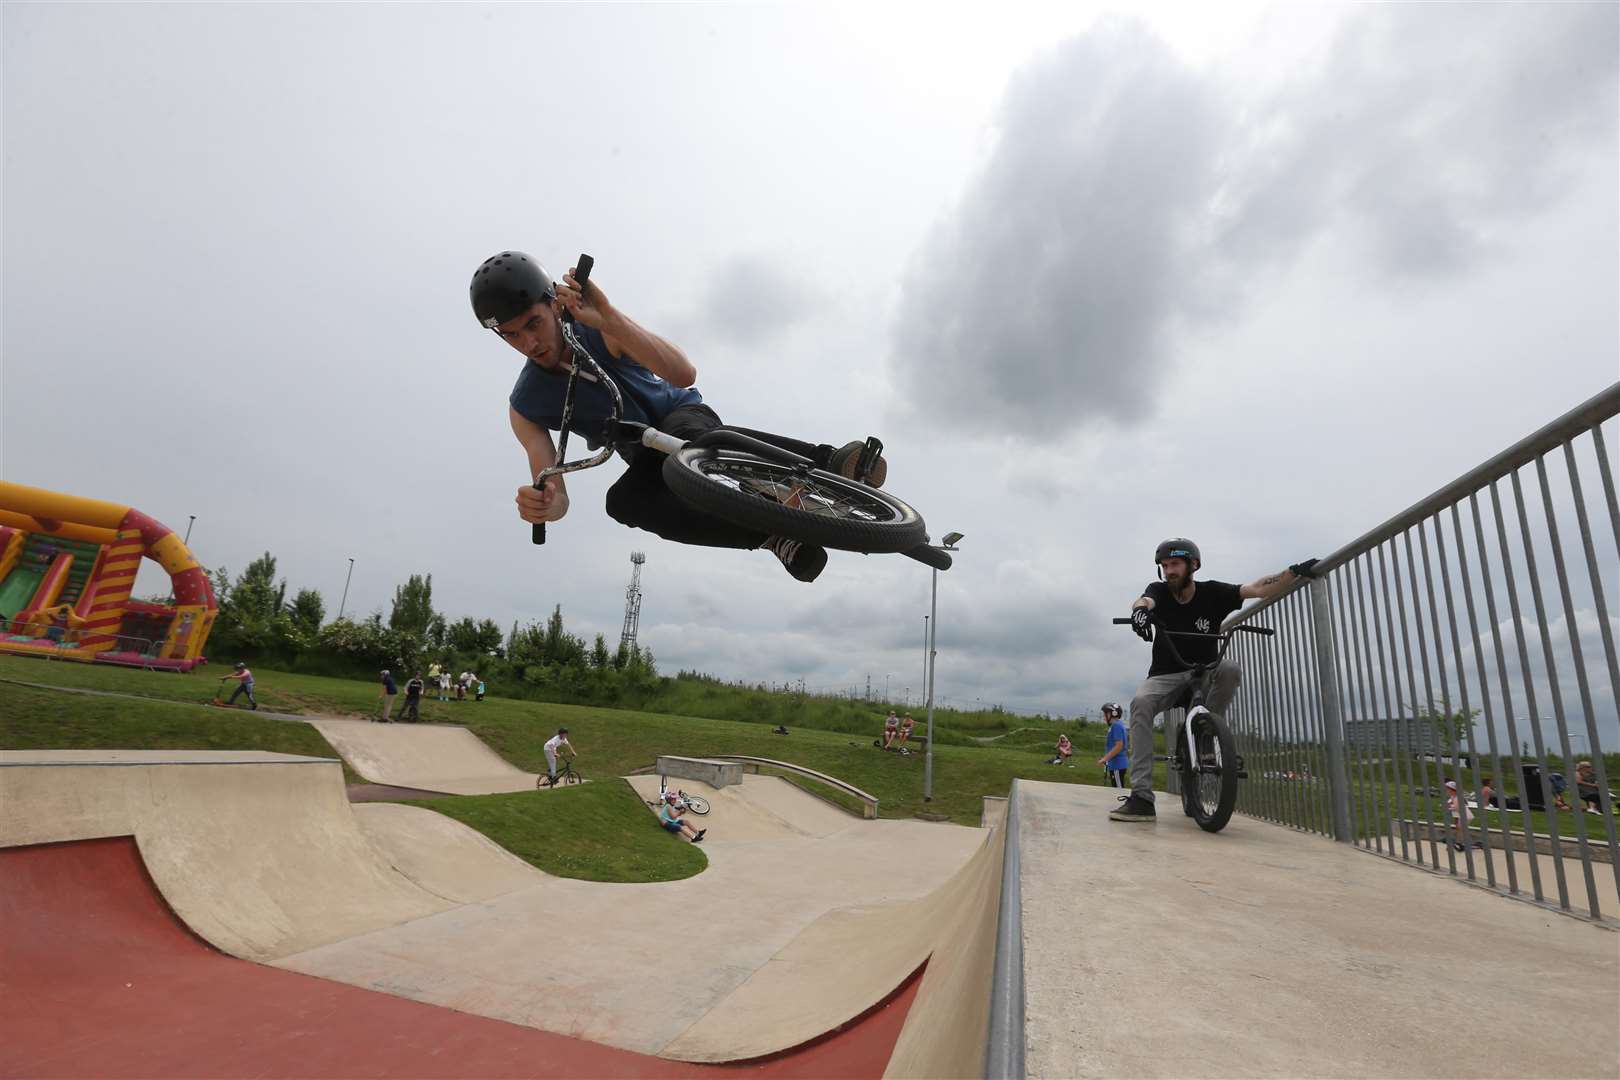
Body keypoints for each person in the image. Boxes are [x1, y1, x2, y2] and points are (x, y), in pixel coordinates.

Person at [472, 251, 887, 583]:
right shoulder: (525, 404)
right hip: (645, 455)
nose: (529, 343)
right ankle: (770, 535)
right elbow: (556, 491)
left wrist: (610, 318)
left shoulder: (596, 329)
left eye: (534, 324)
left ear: (554, 303)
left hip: (681, 414)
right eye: (511, 335)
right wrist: (546, 505)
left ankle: (830, 460)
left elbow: (683, 373)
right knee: (623, 502)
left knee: (690, 444)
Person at [1111, 538, 1320, 822]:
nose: (1169, 570)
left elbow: (1257, 588)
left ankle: (1207, 734)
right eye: (1164, 565)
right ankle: (1142, 798)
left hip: (1205, 671)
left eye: (1175, 564)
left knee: (1231, 667)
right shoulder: (1158, 590)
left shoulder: (1213, 593)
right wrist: (1140, 611)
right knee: (1140, 703)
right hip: (1166, 675)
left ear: (1193, 565)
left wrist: (1293, 572)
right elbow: (1145, 599)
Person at [1098, 703, 1127, 788]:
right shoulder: (1117, 725)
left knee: (1118, 791)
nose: (1104, 717)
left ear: (1113, 714)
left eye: (1105, 714)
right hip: (1115, 764)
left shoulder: (1116, 726)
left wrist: (1105, 759)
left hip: (1117, 764)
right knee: (1116, 789)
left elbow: (1119, 746)